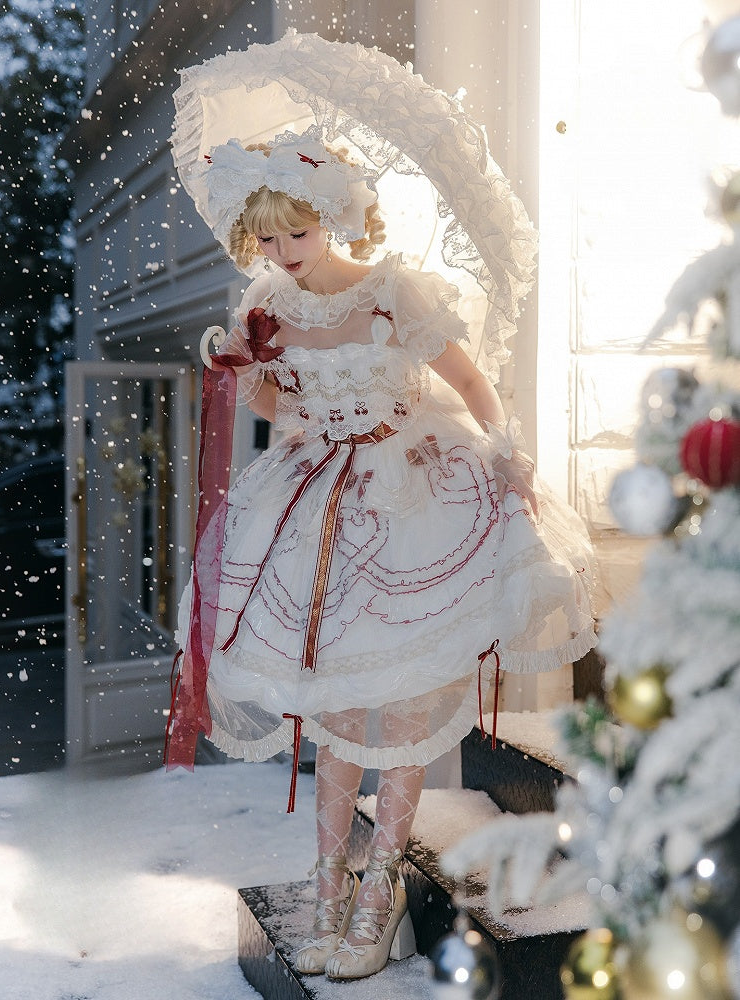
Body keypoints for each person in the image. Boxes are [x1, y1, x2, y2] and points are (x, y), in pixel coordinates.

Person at [165, 34, 596, 984]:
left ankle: (383, 886)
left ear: (335, 217)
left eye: (298, 231)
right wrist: (244, 376)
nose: (282, 251)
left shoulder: (398, 292)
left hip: (409, 489)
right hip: (317, 503)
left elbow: (472, 385)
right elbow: (280, 410)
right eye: (266, 236)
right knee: (335, 700)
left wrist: (506, 450)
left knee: (401, 703)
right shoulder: (266, 306)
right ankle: (330, 881)